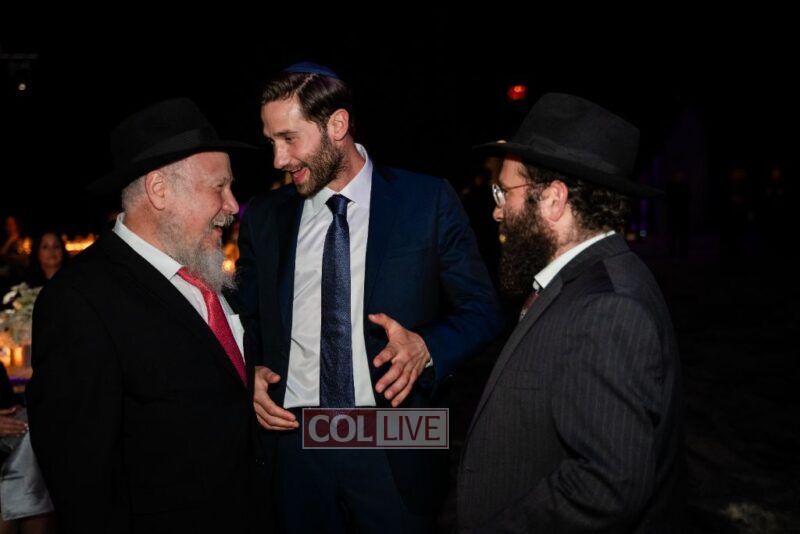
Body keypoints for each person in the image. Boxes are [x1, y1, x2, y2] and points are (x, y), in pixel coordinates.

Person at [237, 62, 501, 532]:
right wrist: (250, 370)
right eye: (271, 142)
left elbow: (483, 310)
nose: (278, 159)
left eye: (289, 139)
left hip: (398, 435)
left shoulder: (427, 200)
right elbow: (248, 316)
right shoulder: (263, 215)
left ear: (337, 125)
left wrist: (427, 347)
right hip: (296, 438)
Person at [26, 98, 262, 534]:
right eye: (219, 187)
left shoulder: (210, 280)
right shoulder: (79, 301)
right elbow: (83, 483)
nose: (232, 205)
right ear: (159, 190)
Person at [457, 93, 685, 532]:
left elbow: (606, 486)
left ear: (554, 199)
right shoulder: (583, 280)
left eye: (504, 191)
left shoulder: (608, 307)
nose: (497, 210)